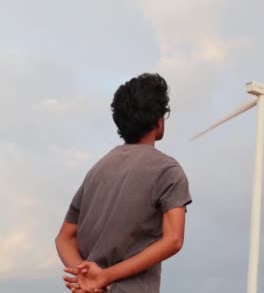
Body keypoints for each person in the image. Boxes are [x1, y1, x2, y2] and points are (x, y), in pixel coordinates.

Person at [55, 73, 192, 293]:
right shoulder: (168, 171)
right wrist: (105, 277)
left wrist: (85, 277)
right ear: (159, 120)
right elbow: (174, 239)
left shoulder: (97, 170)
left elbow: (64, 237)